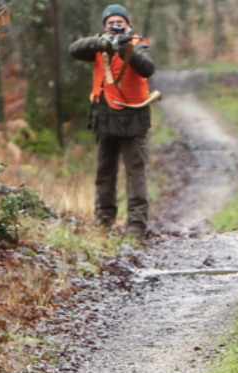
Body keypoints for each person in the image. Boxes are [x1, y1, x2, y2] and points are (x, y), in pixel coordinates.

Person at [69, 4, 155, 240]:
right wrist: (103, 43)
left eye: (120, 23)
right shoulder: (99, 44)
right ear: (105, 25)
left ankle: (136, 226)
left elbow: (148, 68)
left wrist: (126, 49)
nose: (116, 26)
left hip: (134, 118)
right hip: (105, 118)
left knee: (135, 173)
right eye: (111, 23)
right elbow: (74, 50)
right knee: (104, 173)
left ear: (129, 24)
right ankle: (103, 222)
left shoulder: (138, 44)